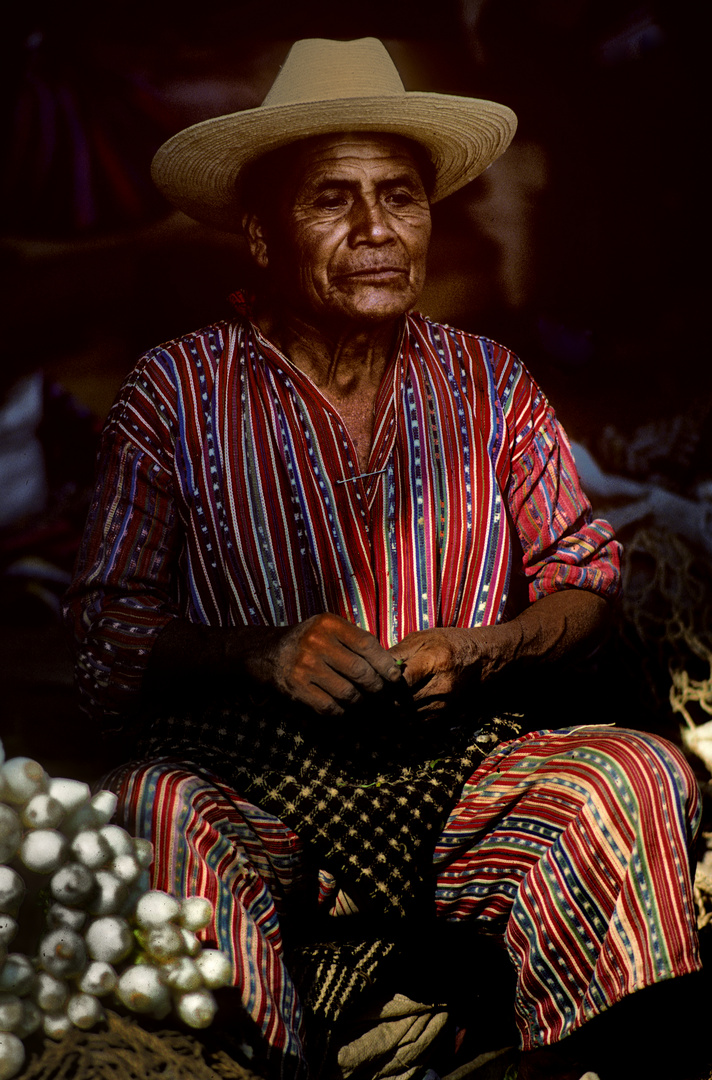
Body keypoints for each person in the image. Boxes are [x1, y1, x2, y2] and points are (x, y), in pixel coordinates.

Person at [64, 38, 702, 1080]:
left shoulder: (490, 382)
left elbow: (586, 581)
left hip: (455, 769)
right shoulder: (172, 395)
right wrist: (260, 653)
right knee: (155, 806)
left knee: (632, 774)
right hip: (255, 786)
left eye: (399, 197)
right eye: (331, 199)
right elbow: (101, 638)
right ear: (263, 238)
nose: (374, 230)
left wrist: (485, 647)